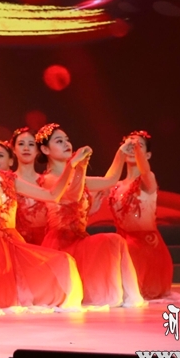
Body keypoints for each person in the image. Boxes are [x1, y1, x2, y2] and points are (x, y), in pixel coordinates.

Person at [0, 113, 83, 310]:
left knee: (62, 262)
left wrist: (72, 166)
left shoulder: (7, 177)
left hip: (12, 243)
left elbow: (53, 195)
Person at [34, 124, 142, 308]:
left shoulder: (77, 176)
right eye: (59, 141)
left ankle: (117, 295)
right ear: (45, 150)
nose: (66, 144)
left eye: (67, 140)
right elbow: (72, 195)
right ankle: (108, 296)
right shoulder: (48, 180)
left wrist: (121, 153)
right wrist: (78, 166)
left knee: (113, 241)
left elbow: (109, 181)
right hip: (62, 244)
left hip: (79, 240)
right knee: (112, 240)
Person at [107, 131, 175, 300]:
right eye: (129, 145)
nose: (133, 148)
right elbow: (106, 181)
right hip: (122, 247)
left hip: (146, 249)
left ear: (148, 155)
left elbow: (145, 171)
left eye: (139, 146)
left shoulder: (147, 181)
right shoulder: (115, 185)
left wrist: (136, 150)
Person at [9, 127, 48, 244]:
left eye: (31, 144)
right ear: (14, 149)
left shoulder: (46, 181)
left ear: (38, 150)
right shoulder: (7, 181)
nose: (26, 148)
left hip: (45, 243)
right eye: (21, 144)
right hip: (17, 242)